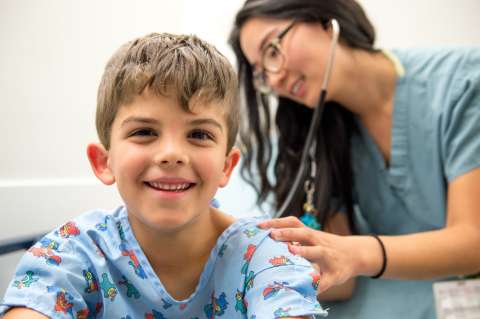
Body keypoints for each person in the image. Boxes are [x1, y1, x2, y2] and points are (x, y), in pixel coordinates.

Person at [0, 33, 327, 319]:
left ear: (227, 166)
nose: (172, 153)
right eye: (144, 131)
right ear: (104, 161)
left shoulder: (266, 256)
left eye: (199, 134)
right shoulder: (73, 251)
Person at [228, 0, 480, 318]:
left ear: (322, 18)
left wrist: (356, 254)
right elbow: (341, 281)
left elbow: (474, 242)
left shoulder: (463, 84)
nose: (275, 80)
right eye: (262, 75)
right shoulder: (321, 134)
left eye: (272, 50)